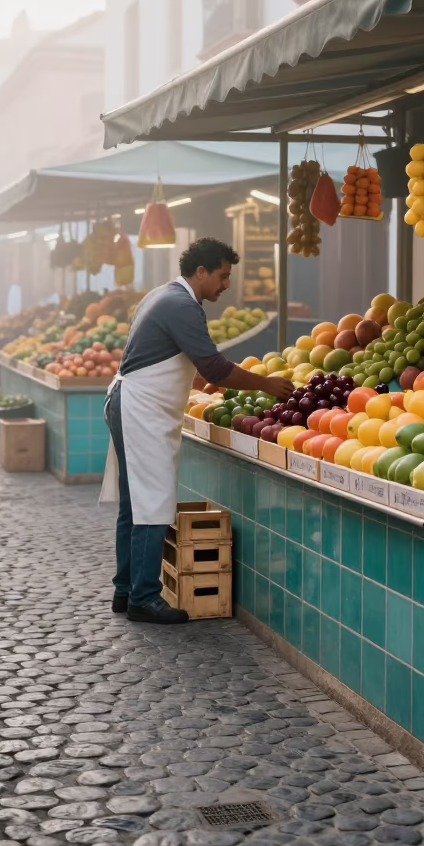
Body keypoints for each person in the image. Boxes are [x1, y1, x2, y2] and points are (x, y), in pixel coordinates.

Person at [100, 238, 295, 625]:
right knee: (152, 502)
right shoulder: (181, 306)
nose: (226, 284)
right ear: (201, 272)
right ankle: (143, 598)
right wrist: (265, 384)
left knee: (135, 502)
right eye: (222, 276)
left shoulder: (165, 295)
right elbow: (214, 369)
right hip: (141, 410)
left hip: (135, 404)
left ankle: (126, 591)